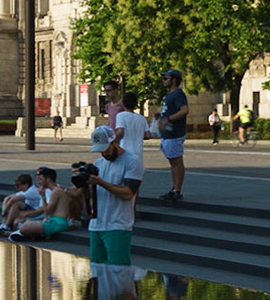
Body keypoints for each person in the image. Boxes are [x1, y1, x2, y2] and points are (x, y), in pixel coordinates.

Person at [85, 121, 144, 266]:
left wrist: (101, 182)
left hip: (117, 226)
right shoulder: (98, 163)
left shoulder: (132, 161)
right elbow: (93, 194)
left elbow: (128, 193)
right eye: (100, 150)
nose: (104, 153)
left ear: (114, 142)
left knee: (118, 273)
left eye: (106, 149)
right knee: (97, 271)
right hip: (96, 226)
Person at [11, 167, 85, 241]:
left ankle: (34, 235)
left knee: (25, 227)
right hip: (52, 221)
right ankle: (31, 235)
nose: (38, 182)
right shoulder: (54, 190)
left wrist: (42, 196)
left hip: (58, 223)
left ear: (48, 179)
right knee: (25, 223)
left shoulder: (56, 191)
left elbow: (47, 212)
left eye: (40, 179)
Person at [154, 69, 189, 203]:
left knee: (176, 162)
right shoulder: (169, 95)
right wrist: (160, 115)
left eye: (166, 78)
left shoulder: (178, 94)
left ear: (174, 80)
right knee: (172, 162)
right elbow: (169, 110)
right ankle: (174, 188)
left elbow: (184, 110)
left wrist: (168, 119)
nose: (164, 81)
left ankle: (177, 190)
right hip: (167, 134)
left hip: (174, 133)